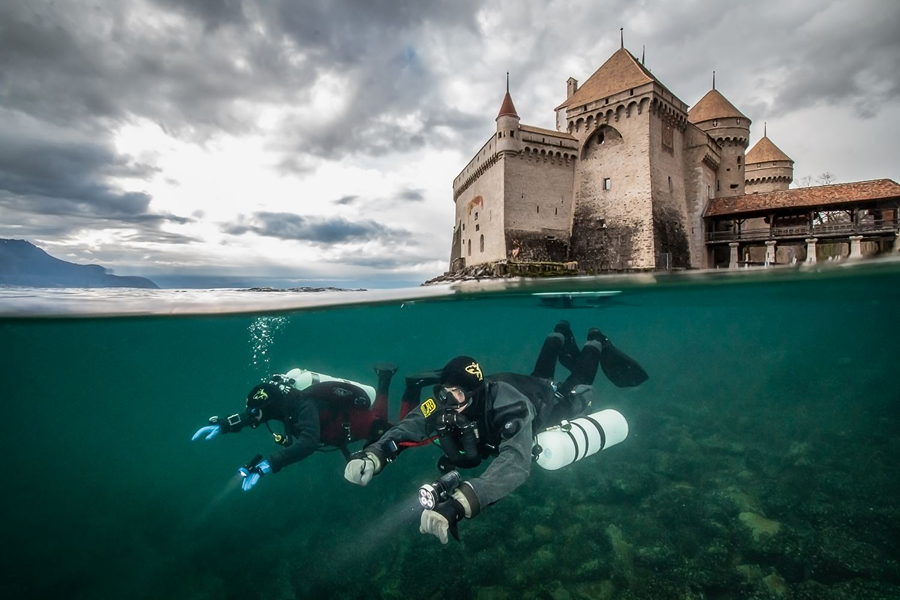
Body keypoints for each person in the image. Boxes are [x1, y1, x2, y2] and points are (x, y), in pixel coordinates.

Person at [344, 322, 647, 544]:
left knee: (577, 388)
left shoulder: (510, 409)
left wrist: (459, 504)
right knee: (540, 375)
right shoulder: (443, 400)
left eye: (457, 393)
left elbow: (516, 462)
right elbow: (412, 423)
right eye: (444, 391)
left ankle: (595, 342)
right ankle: (559, 333)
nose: (449, 401)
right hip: (522, 382)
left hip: (542, 404)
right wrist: (375, 454)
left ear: (475, 393)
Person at [192, 363, 398, 491]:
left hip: (353, 424)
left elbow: (309, 442)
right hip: (336, 431)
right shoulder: (277, 403)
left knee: (389, 431)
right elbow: (252, 415)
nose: (254, 417)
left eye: (257, 412)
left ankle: (395, 382)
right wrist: (224, 425)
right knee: (381, 425)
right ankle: (386, 377)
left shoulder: (303, 405)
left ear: (268, 405)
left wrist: (268, 465)